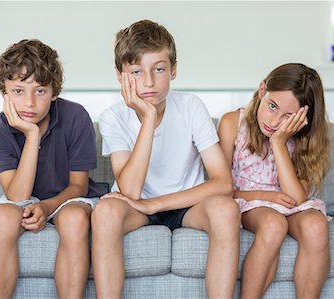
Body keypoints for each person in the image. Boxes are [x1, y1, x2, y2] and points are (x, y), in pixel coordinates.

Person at [92, 19, 240, 299]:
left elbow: (222, 183)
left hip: (187, 205)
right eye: (136, 71)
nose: (148, 82)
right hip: (134, 205)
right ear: (120, 75)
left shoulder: (191, 106)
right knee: (106, 211)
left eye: (158, 69)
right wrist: (147, 118)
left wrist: (156, 203)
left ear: (173, 70)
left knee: (226, 209)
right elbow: (130, 191)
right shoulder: (113, 117)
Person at [0, 39, 105, 299]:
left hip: (68, 198)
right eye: (17, 91)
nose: (29, 102)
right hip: (23, 196)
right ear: (3, 93)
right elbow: (17, 197)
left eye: (40, 91)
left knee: (74, 219)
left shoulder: (75, 117)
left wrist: (47, 207)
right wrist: (32, 135)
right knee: (3, 217)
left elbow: (79, 186)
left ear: (54, 92)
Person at [218, 63, 332, 299]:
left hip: (290, 203)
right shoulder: (233, 124)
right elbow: (220, 189)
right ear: (262, 91)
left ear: (303, 118)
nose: (275, 121)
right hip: (249, 201)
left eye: (288, 116)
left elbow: (296, 197)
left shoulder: (303, 139)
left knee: (316, 226)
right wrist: (265, 197)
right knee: (273, 223)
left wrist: (279, 143)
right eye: (272, 106)